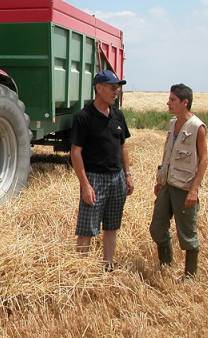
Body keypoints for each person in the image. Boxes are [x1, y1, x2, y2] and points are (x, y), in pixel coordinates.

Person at [70, 69, 135, 270]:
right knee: (87, 228)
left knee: (112, 225)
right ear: (99, 88)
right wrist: (85, 185)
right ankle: (81, 269)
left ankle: (108, 264)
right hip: (95, 178)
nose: (116, 92)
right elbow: (75, 153)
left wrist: (127, 175)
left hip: (117, 178)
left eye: (118, 88)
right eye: (113, 87)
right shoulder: (84, 117)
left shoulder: (118, 115)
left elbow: (123, 146)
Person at [150, 84, 208, 279]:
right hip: (167, 185)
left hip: (184, 188)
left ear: (185, 102)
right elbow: (168, 154)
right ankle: (166, 265)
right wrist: (161, 180)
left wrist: (194, 190)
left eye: (173, 99)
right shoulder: (172, 123)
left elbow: (204, 160)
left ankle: (190, 276)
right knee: (157, 228)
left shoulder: (197, 127)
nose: (168, 102)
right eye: (169, 99)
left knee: (187, 234)